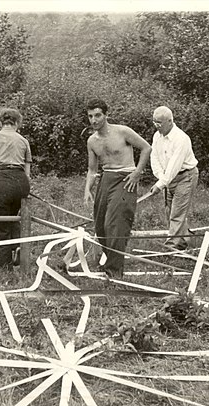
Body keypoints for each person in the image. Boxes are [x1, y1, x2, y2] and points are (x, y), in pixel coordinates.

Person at [83, 98, 152, 278]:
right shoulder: (92, 141)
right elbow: (92, 169)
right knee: (100, 226)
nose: (94, 120)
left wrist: (137, 173)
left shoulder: (122, 132)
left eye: (98, 115)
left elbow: (146, 148)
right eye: (90, 116)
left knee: (115, 223)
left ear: (106, 115)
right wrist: (87, 190)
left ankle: (114, 272)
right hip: (106, 178)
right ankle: (111, 259)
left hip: (125, 178)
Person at [0, 108, 32, 270]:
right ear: (17, 123)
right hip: (20, 181)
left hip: (1, 179)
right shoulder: (23, 141)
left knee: (0, 224)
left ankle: (6, 268)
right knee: (15, 217)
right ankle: (17, 246)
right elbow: (27, 173)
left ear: (1, 122)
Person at [148, 106, 199, 250]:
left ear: (170, 121)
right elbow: (154, 157)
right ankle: (184, 240)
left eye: (160, 123)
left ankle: (172, 247)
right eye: (154, 122)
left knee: (177, 213)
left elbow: (174, 165)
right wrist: (160, 178)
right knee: (170, 211)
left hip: (185, 176)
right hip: (168, 178)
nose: (156, 126)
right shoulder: (157, 136)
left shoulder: (181, 138)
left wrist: (160, 184)